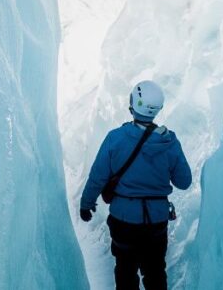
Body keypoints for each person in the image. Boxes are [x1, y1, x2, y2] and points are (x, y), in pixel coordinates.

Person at [79, 80, 192, 290]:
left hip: (123, 221)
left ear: (135, 103)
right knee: (155, 272)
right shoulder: (169, 142)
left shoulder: (116, 138)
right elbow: (184, 182)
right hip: (156, 222)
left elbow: (97, 177)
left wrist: (86, 205)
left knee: (125, 270)